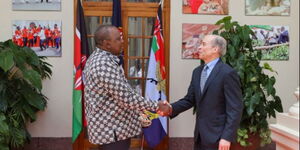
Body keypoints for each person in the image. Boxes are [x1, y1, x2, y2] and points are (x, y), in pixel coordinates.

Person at [83, 25, 170, 150]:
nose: (123, 41)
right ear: (107, 44)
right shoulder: (102, 63)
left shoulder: (105, 59)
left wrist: (139, 113)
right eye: (118, 39)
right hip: (112, 133)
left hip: (114, 131)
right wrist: (157, 106)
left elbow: (119, 95)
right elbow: (126, 97)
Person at [161, 35, 243, 150]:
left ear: (215, 49)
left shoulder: (227, 73)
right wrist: (170, 108)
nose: (199, 47)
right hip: (199, 136)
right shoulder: (197, 72)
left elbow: (235, 108)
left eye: (203, 44)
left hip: (219, 137)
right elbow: (190, 99)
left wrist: (227, 137)